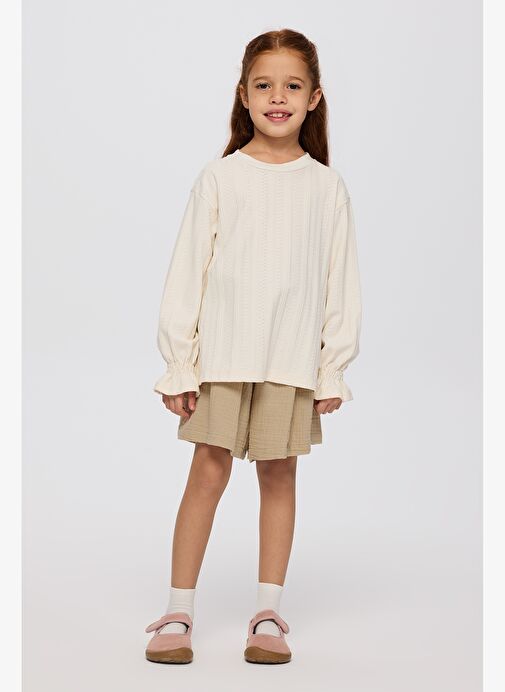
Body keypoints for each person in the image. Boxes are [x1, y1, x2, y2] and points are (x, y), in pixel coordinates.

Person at [144, 28, 362, 665]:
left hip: (289, 360)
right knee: (207, 472)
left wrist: (331, 368)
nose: (277, 97)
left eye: (292, 86)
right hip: (222, 358)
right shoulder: (220, 178)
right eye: (264, 85)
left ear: (314, 97)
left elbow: (340, 282)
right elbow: (188, 272)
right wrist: (180, 364)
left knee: (279, 474)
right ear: (243, 95)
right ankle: (178, 610)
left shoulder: (326, 187)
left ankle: (268, 613)